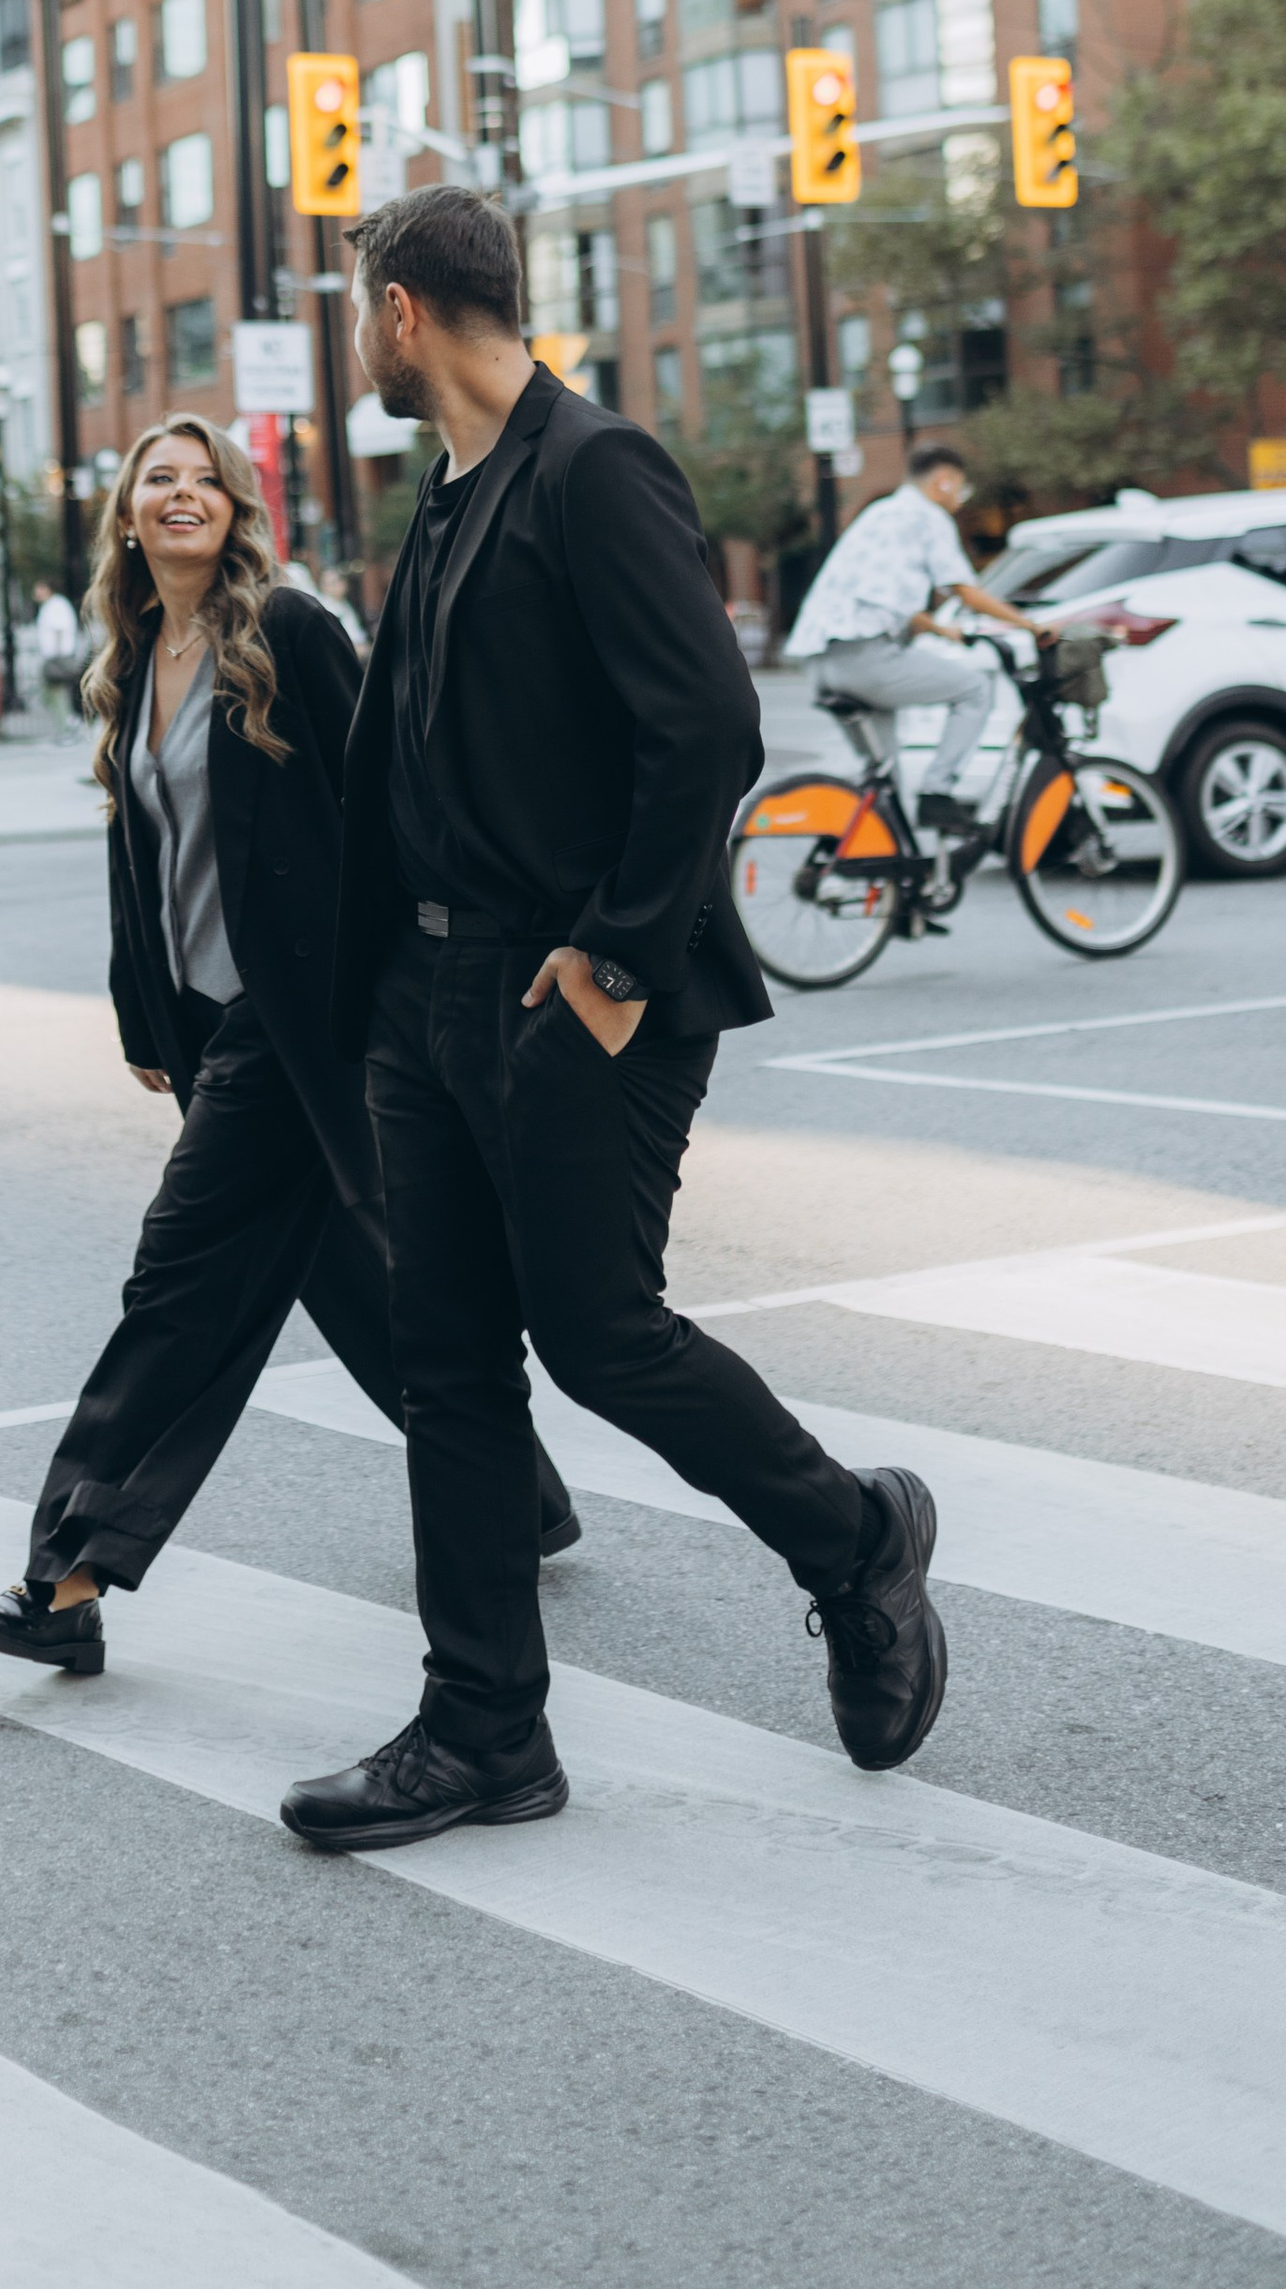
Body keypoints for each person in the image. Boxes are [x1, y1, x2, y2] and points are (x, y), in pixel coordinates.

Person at [279, 186, 945, 1857]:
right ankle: (485, 1729)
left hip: (568, 988)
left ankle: (852, 1538)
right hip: (427, 1004)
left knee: (598, 1336)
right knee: (448, 1368)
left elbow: (708, 723)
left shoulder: (594, 470)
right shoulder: (443, 500)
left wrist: (616, 961)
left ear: (411, 310)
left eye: (368, 311)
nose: (365, 339)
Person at [0, 414, 573, 1683]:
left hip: (303, 1026)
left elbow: (391, 801)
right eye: (156, 481)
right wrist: (143, 1011)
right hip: (211, 1021)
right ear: (126, 516)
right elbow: (146, 855)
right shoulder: (134, 656)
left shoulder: (283, 634)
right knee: (353, 1274)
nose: (182, 496)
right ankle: (525, 1495)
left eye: (204, 481)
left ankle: (67, 1574)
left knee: (179, 1281)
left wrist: (421, 997)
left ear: (236, 510)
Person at [781, 439, 1052, 831]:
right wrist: (1031, 625)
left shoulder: (880, 513)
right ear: (943, 481)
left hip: (822, 662)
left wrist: (940, 630)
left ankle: (878, 868)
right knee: (975, 688)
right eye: (961, 486)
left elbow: (883, 597)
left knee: (884, 779)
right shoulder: (928, 516)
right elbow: (964, 589)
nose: (961, 497)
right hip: (865, 658)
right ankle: (937, 793)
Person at [30, 581, 83, 725]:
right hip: (55, 656)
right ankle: (69, 722)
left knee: (54, 692)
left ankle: (68, 723)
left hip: (57, 656)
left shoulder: (55, 605)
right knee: (52, 693)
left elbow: (58, 629)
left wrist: (56, 656)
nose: (36, 594)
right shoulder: (51, 605)